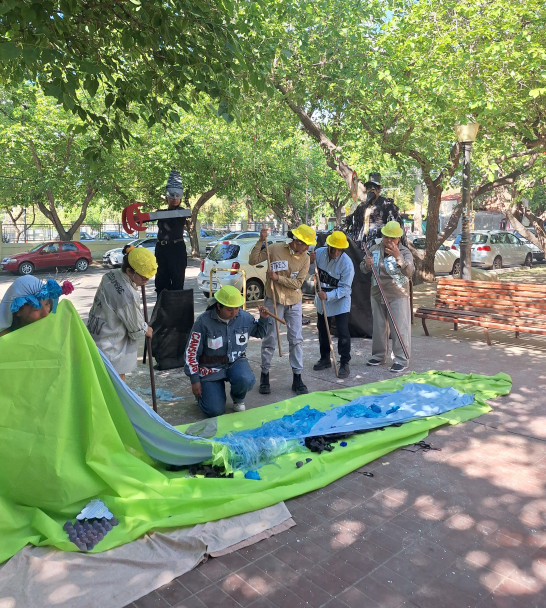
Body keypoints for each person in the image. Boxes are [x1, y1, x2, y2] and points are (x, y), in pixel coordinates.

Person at [249, 224, 316, 395]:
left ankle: (297, 377)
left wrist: (278, 278)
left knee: (296, 339)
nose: (307, 247)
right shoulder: (275, 248)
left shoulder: (306, 258)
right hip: (274, 299)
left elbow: (298, 284)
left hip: (294, 302)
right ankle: (265, 375)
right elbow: (253, 260)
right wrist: (260, 241)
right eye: (305, 243)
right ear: (297, 241)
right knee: (269, 338)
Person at [184, 285, 270, 417]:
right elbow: (191, 352)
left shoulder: (244, 317)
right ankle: (205, 396)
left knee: (246, 379)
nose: (234, 312)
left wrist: (263, 319)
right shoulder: (203, 322)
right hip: (210, 367)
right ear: (219, 306)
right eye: (230, 309)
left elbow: (259, 333)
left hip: (235, 362)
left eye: (237, 308)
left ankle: (238, 398)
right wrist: (194, 380)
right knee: (214, 411)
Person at [87, 245, 157, 380]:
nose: (146, 282)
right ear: (130, 271)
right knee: (116, 386)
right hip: (111, 345)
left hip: (95, 335)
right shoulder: (127, 296)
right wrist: (146, 329)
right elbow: (136, 330)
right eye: (143, 278)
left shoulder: (110, 275)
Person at [359, 221, 414, 373]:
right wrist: (367, 264)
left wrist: (398, 257)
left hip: (398, 294)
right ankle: (378, 355)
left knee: (399, 328)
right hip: (377, 293)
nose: (388, 240)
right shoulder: (374, 249)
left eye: (392, 238)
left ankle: (401, 359)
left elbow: (409, 272)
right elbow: (363, 268)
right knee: (379, 327)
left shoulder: (404, 252)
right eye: (386, 237)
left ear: (398, 238)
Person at [311, 231, 355, 378]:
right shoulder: (318, 253)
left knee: (343, 332)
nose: (335, 252)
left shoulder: (347, 264)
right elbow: (311, 272)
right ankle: (325, 359)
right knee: (323, 330)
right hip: (322, 298)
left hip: (340, 299)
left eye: (339, 249)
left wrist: (328, 295)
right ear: (328, 245)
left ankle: (344, 362)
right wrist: (310, 262)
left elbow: (345, 288)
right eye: (333, 248)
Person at [0, 275, 73, 337]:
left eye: (47, 304)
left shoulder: (53, 330)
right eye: (36, 308)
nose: (46, 314)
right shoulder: (5, 339)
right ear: (17, 311)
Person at [346, 172, 404, 249]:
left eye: (373, 188)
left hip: (380, 241)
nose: (370, 191)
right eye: (368, 188)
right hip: (364, 242)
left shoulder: (387, 204)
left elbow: (395, 223)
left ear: (378, 190)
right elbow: (353, 217)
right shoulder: (363, 206)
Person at [155, 169, 188, 294]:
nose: (174, 199)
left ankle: (177, 313)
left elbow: (169, 215)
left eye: (177, 196)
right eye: (172, 195)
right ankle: (162, 312)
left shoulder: (181, 212)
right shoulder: (160, 213)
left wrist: (155, 215)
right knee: (161, 286)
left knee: (177, 286)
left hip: (177, 251)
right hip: (162, 251)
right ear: (166, 197)